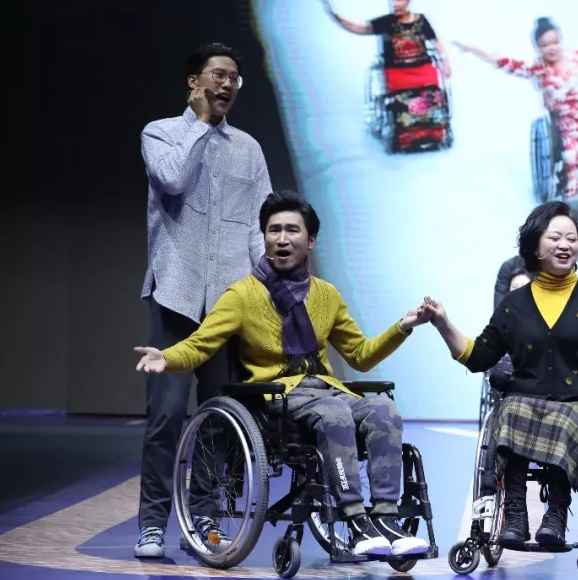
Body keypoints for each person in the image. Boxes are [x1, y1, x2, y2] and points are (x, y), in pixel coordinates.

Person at [134, 190, 434, 557]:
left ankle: (385, 517)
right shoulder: (243, 295)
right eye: (273, 230)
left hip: (324, 390)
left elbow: (360, 355)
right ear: (263, 238)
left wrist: (402, 327)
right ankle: (356, 520)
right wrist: (167, 358)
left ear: (311, 241)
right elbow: (201, 343)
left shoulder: (326, 295)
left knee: (383, 409)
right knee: (334, 414)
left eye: (292, 230)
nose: (281, 239)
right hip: (276, 400)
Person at [422, 201, 578, 547]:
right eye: (555, 237)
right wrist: (443, 323)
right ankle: (514, 515)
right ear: (534, 246)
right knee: (510, 410)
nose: (565, 245)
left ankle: (557, 513)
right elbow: (479, 356)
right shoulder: (514, 304)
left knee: (565, 418)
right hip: (525, 399)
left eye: (572, 238)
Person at [135, 42, 272, 559]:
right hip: (176, 295)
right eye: (218, 75)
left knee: (223, 415)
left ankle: (206, 516)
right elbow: (171, 179)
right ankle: (152, 524)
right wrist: (197, 125)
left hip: (229, 305)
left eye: (235, 78)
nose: (227, 85)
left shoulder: (249, 149)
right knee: (167, 416)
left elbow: (260, 225)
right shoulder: (160, 133)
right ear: (194, 82)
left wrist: (270, 289)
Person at [454, 18, 578, 211]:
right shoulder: (538, 69)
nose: (551, 48)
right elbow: (504, 62)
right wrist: (473, 49)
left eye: (555, 42)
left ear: (561, 41)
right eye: (545, 45)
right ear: (538, 48)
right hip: (568, 119)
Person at [321, 0, 452, 151]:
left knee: (431, 93)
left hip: (423, 69)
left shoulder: (421, 20)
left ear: (408, 0)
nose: (395, 3)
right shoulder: (385, 22)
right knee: (404, 98)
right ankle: (407, 136)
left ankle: (434, 132)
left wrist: (446, 62)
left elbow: (436, 41)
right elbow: (359, 28)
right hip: (398, 72)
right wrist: (336, 18)